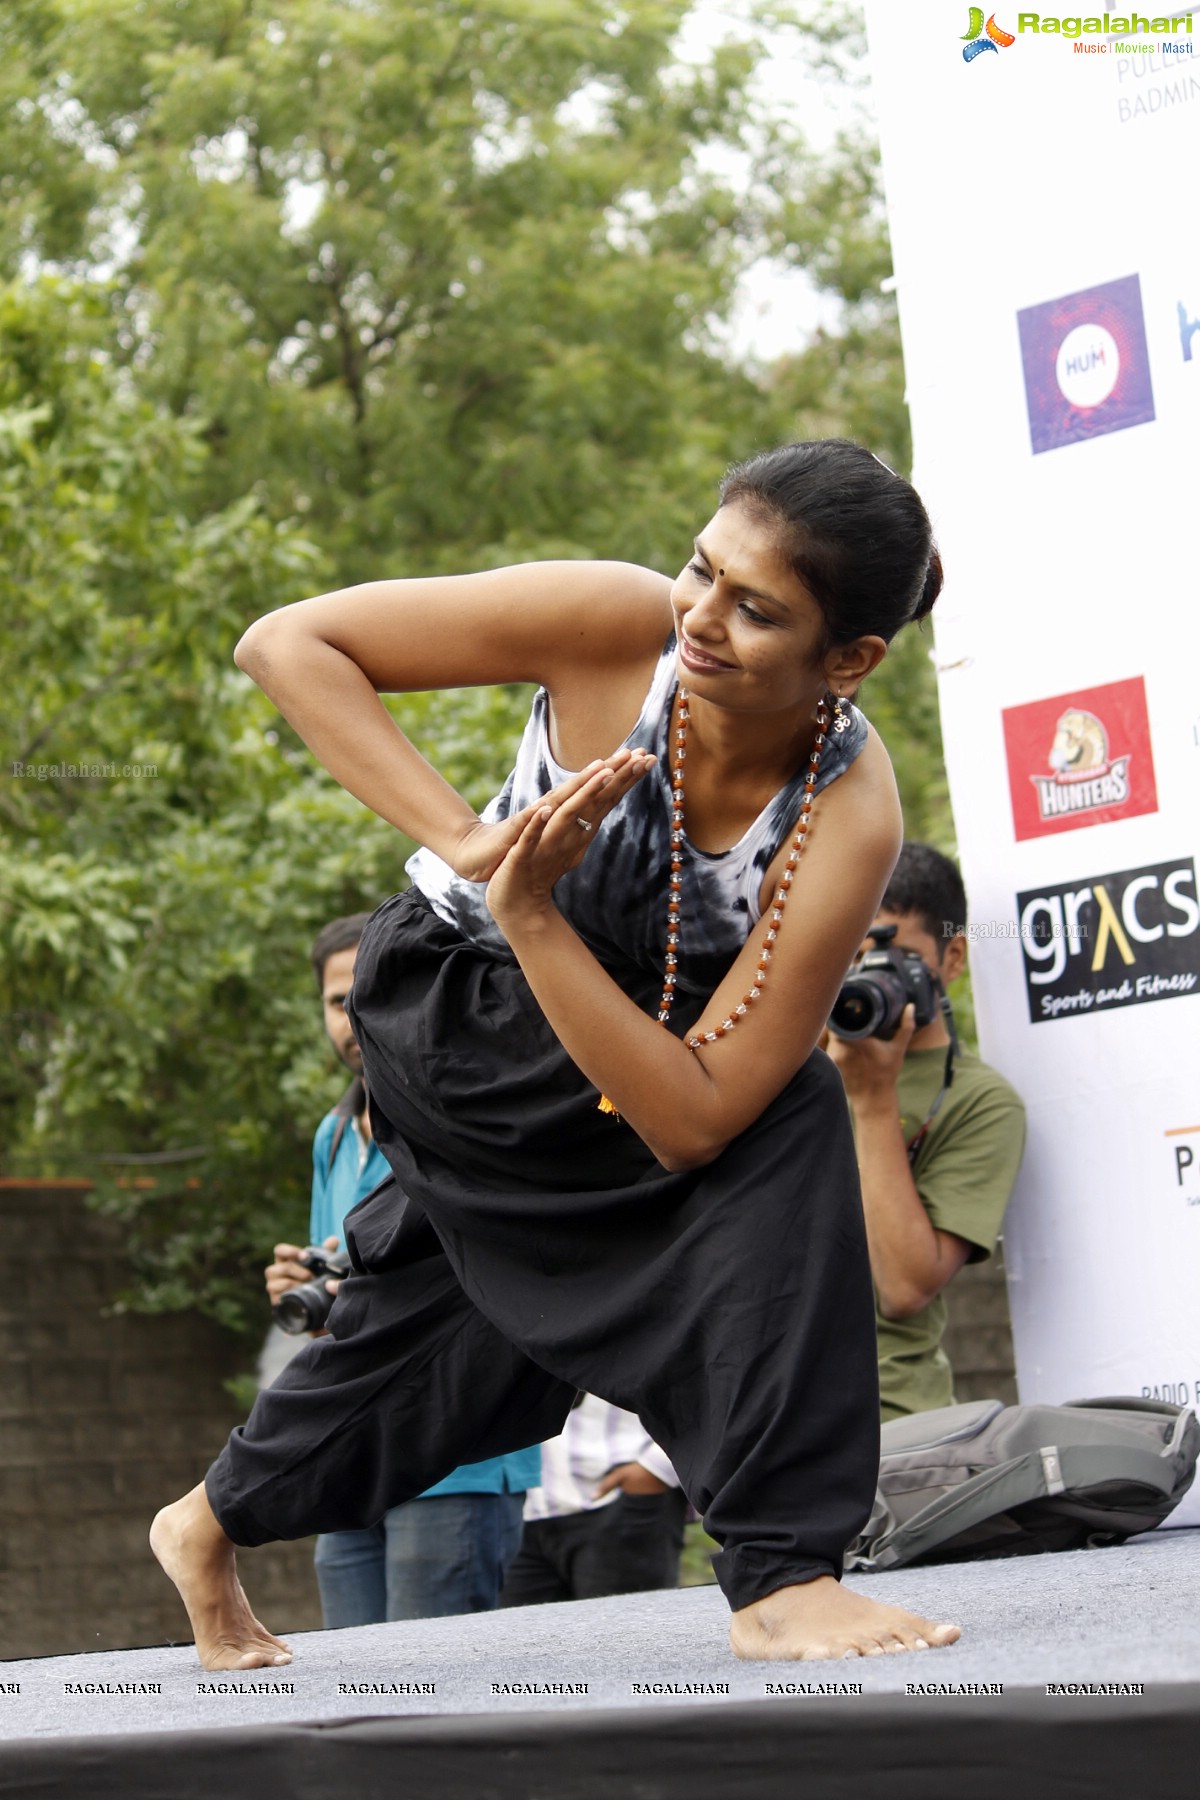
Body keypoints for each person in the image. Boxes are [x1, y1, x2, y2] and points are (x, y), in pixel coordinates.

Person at [151, 437, 963, 1667]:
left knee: (475, 1343)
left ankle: (208, 1524)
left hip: (619, 1055)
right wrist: (478, 854)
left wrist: (542, 916)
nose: (701, 617)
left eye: (757, 611)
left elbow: (692, 1119)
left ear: (847, 660)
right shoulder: (616, 624)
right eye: (703, 570)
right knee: (793, 1113)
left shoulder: (847, 813)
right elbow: (288, 647)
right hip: (456, 1009)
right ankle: (787, 1571)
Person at [264, 914, 538, 1624]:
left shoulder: (464, 1112)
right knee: (351, 1685)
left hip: (455, 1453)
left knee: (429, 1702)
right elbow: (340, 1280)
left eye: (367, 989)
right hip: (348, 1451)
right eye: (333, 1000)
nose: (352, 1014)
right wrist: (304, 1286)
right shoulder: (332, 1134)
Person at [824, 844, 1027, 1422]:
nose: (872, 979)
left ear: (952, 957)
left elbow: (906, 1288)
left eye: (898, 959)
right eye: (857, 957)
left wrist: (871, 1099)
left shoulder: (979, 1101)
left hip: (888, 1425)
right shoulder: (796, 1062)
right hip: (767, 1424)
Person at [499, 1396, 687, 1607]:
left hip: (619, 1498)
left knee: (628, 1631)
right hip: (518, 1505)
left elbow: (703, 1391)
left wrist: (656, 1467)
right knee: (521, 1635)